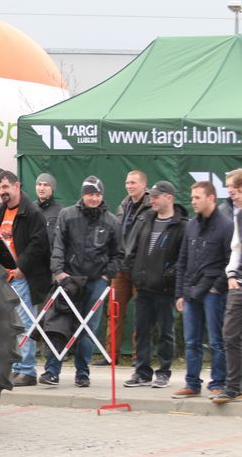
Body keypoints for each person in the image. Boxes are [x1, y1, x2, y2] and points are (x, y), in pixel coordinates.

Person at [40, 175, 123, 387]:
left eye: (97, 194)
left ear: (102, 196)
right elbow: (58, 245)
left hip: (96, 282)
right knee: (59, 324)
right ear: (83, 195)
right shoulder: (67, 215)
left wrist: (107, 276)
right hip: (69, 279)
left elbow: (119, 254)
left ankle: (82, 373)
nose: (93, 198)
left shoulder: (112, 222)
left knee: (88, 328)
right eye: (89, 194)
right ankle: (51, 371)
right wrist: (58, 272)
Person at [123, 181, 187, 389]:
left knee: (165, 332)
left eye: (157, 196)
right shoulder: (145, 219)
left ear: (169, 197)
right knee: (141, 330)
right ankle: (141, 372)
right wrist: (134, 272)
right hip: (143, 287)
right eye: (151, 196)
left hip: (165, 289)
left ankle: (163, 372)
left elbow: (183, 260)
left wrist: (168, 276)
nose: (152, 199)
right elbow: (131, 249)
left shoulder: (182, 225)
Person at [172, 181, 233, 399]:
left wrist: (217, 287)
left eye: (198, 197)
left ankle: (218, 383)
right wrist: (180, 293)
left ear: (212, 198)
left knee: (216, 341)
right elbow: (182, 260)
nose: (193, 202)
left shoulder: (227, 226)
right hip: (190, 292)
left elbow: (230, 261)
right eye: (192, 197)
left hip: (213, 293)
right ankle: (191, 384)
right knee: (191, 341)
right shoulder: (190, 225)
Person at [0, 171, 51, 387]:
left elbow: (39, 244)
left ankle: (27, 370)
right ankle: (17, 367)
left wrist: (21, 267)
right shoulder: (2, 211)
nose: (2, 192)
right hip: (6, 277)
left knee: (25, 323)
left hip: (23, 278)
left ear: (17, 186)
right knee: (12, 325)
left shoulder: (32, 212)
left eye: (5, 187)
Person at [96, 170, 150, 366]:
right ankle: (111, 355)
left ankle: (139, 358)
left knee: (141, 315)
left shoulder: (150, 208)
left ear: (144, 186)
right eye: (127, 182)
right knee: (114, 311)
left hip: (141, 269)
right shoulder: (123, 205)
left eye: (133, 182)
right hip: (121, 268)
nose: (129, 186)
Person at [215, 169, 242, 403]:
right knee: (230, 334)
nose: (231, 194)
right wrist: (231, 274)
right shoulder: (238, 215)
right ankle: (233, 387)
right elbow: (236, 248)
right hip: (238, 284)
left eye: (235, 190)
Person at [35, 172, 63, 247]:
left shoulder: (61, 211)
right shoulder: (30, 208)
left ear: (52, 188)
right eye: (39, 184)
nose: (41, 188)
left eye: (46, 185)